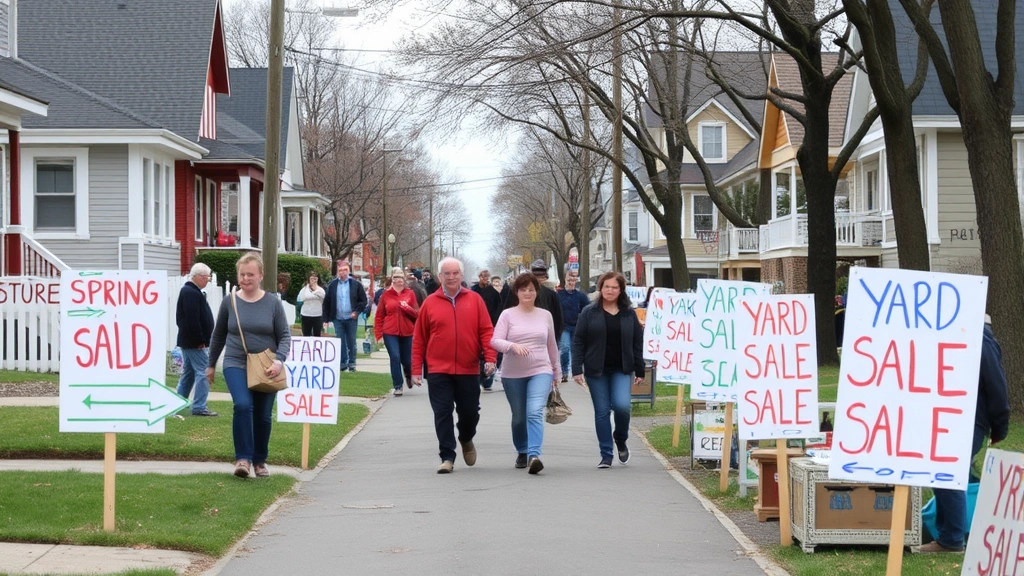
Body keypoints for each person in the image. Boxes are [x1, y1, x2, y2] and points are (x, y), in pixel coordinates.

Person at [921, 316, 1010, 552]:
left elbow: (996, 386)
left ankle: (952, 538)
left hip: (968, 419)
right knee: (947, 475)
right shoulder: (967, 339)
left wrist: (1000, 425)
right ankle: (950, 533)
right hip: (953, 417)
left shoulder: (980, 341)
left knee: (949, 475)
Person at [206, 253, 291, 478]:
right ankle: (243, 459)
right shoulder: (230, 301)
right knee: (243, 406)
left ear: (261, 275)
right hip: (236, 363)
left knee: (263, 415)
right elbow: (218, 335)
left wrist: (279, 360)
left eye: (250, 274)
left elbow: (284, 335)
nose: (245, 278)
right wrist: (211, 364)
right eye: (242, 274)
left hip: (266, 366)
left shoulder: (272, 303)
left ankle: (260, 460)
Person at [412, 257, 496, 474]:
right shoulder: (430, 303)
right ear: (440, 277)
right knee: (442, 412)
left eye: (455, 273)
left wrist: (490, 358)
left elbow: (486, 331)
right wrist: (415, 370)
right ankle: (447, 456)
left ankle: (466, 437)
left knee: (470, 413)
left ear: (461, 275)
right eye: (446, 274)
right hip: (439, 369)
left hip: (468, 368)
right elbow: (419, 338)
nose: (451, 277)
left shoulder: (475, 300)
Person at [571, 271, 645, 469]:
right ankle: (606, 454)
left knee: (622, 406)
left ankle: (620, 438)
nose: (609, 290)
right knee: (602, 412)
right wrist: (576, 368)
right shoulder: (589, 312)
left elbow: (637, 342)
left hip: (622, 369)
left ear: (621, 290)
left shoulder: (629, 313)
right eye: (606, 287)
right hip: (596, 370)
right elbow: (578, 341)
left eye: (614, 287)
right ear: (600, 288)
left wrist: (640, 369)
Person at [490, 273, 560, 474]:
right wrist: (512, 346)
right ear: (517, 292)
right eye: (523, 290)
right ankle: (522, 449)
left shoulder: (545, 315)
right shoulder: (508, 315)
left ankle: (534, 454)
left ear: (537, 292)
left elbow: (552, 344)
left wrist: (556, 371)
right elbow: (495, 341)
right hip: (513, 374)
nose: (527, 293)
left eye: (531, 289)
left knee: (535, 411)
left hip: (541, 370)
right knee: (519, 416)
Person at [175, 263, 218, 417]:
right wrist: (199, 339)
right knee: (204, 371)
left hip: (188, 340)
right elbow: (192, 319)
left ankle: (177, 404)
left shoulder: (190, 291)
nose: (207, 280)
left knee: (189, 373)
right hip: (194, 342)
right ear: (199, 277)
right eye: (207, 277)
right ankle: (199, 406)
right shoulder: (191, 293)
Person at [375, 267, 419, 396]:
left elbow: (417, 313)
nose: (398, 280)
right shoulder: (386, 295)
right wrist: (378, 334)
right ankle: (398, 385)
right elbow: (379, 315)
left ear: (404, 279)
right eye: (395, 277)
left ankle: (409, 375)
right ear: (392, 279)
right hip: (390, 331)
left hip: (407, 331)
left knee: (407, 360)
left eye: (400, 277)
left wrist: (407, 308)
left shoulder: (410, 293)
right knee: (395, 357)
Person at [323, 260, 368, 372]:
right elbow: (327, 302)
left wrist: (356, 312)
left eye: (345, 270)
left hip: (351, 317)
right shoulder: (333, 285)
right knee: (340, 341)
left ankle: (352, 363)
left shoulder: (356, 284)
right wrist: (326, 319)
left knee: (351, 341)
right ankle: (343, 363)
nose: (343, 272)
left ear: (349, 271)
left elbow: (363, 301)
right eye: (340, 270)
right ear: (337, 272)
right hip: (338, 318)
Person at [505, 259, 563, 338]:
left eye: (541, 277)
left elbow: (557, 320)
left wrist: (553, 339)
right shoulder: (515, 291)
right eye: (536, 277)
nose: (538, 280)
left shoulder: (550, 295)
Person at [472, 269, 503, 391]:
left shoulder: (493, 292)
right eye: (483, 277)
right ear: (479, 277)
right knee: (478, 352)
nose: (485, 279)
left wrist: (494, 323)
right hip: (475, 325)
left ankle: (488, 378)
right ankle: (480, 376)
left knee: (492, 351)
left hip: (491, 324)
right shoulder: (474, 291)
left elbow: (498, 307)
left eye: (487, 277)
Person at [556, 273, 590, 383]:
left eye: (573, 281)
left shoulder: (580, 296)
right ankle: (564, 372)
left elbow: (588, 309)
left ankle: (577, 371)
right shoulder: (559, 295)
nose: (571, 283)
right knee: (565, 348)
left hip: (577, 326)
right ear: (564, 281)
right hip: (564, 327)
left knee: (577, 350)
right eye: (569, 280)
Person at [296, 272, 326, 337]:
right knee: (306, 335)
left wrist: (315, 290)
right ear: (309, 279)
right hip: (306, 315)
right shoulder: (304, 290)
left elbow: (323, 298)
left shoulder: (321, 290)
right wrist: (313, 293)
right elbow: (301, 298)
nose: (313, 280)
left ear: (318, 279)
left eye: (315, 279)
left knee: (317, 335)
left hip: (317, 315)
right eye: (312, 278)